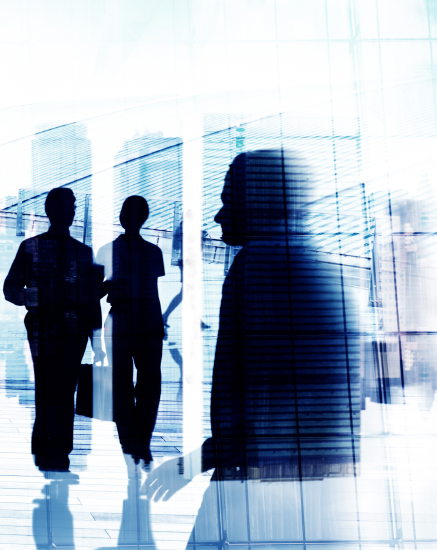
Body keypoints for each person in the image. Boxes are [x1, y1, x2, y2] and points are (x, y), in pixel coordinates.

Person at [144, 150, 362, 547]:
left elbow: (256, 402)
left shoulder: (256, 267)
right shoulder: (325, 271)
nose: (219, 216)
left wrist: (195, 463)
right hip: (311, 489)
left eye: (229, 200)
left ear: (259, 202)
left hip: (257, 484)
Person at [2, 187, 102, 473]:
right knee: (61, 388)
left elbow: (11, 288)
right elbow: (91, 298)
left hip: (47, 328)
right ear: (50, 211)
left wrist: (32, 300)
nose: (67, 213)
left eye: (69, 208)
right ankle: (57, 447)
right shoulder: (82, 253)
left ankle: (47, 444)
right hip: (65, 329)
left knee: (50, 386)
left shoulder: (33, 247)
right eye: (63, 207)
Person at [104, 196, 164, 467]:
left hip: (120, 319)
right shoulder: (154, 252)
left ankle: (128, 441)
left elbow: (95, 290)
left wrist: (109, 287)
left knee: (121, 382)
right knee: (151, 382)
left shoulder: (108, 250)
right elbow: (153, 291)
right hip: (148, 320)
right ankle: (143, 440)